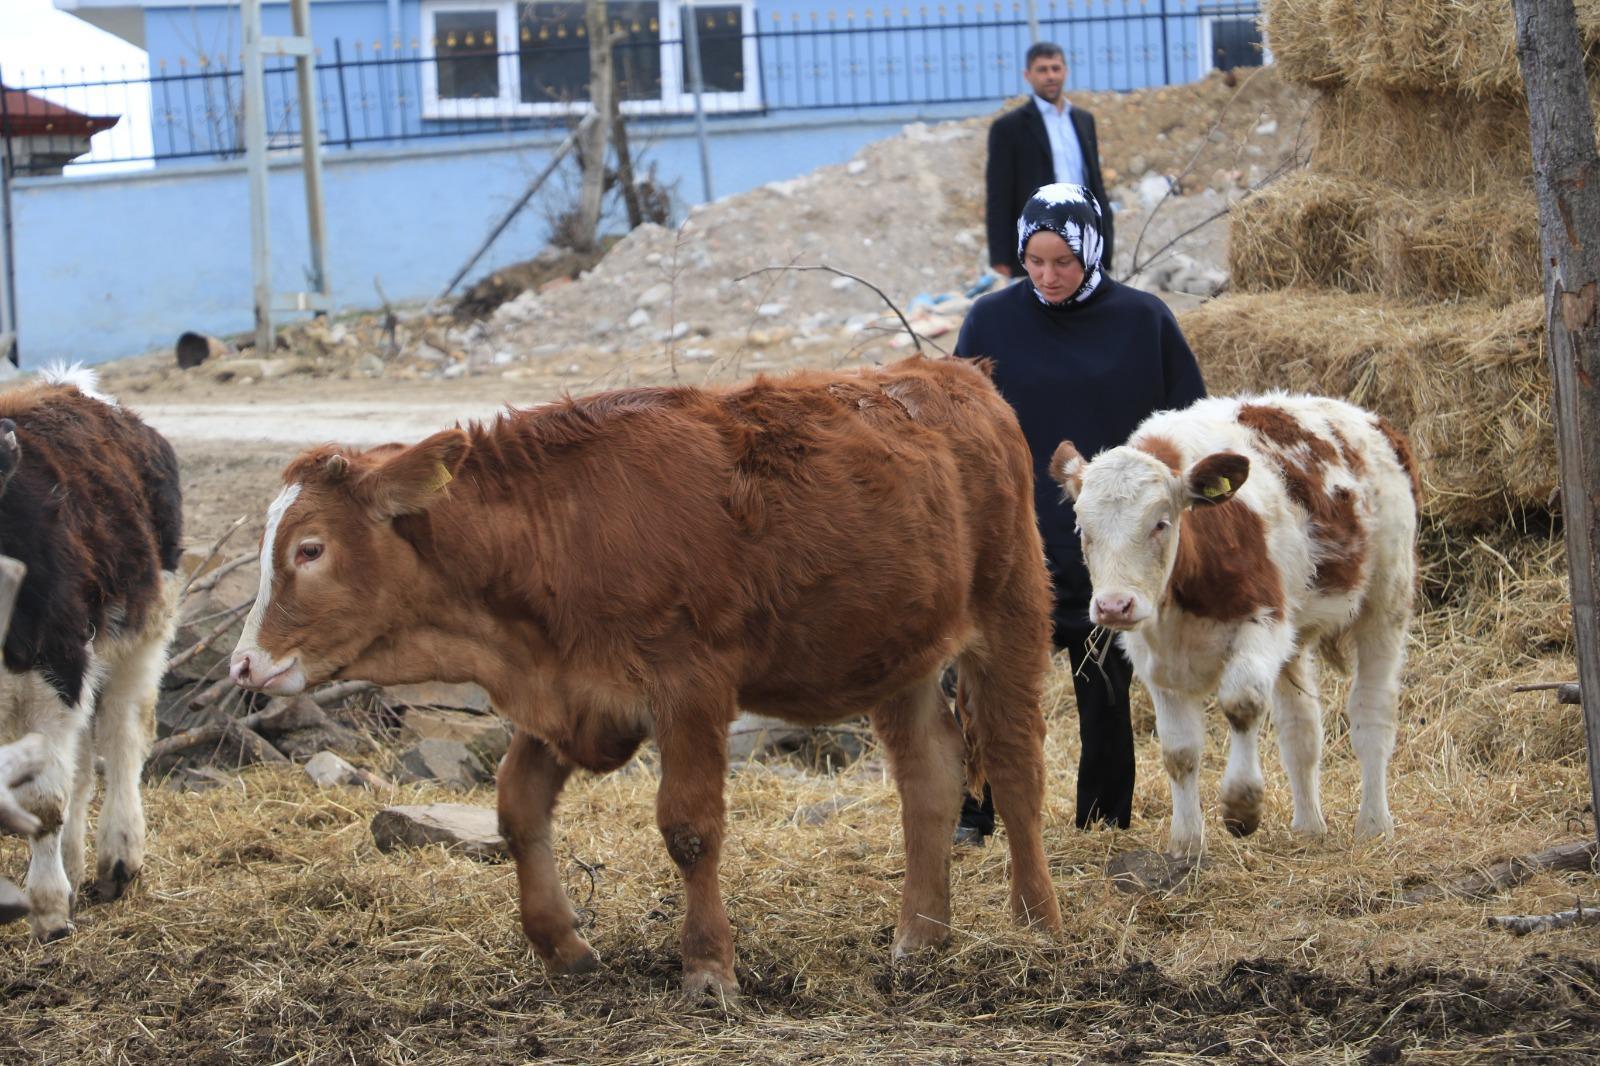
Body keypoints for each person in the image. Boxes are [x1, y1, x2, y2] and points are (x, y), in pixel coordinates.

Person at [952, 182, 1205, 843]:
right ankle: (972, 816)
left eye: (1062, 261)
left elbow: (1191, 423)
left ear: (1091, 251)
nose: (1048, 275)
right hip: (1015, 543)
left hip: (1109, 549)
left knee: (1106, 692)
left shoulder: (1143, 321)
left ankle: (1103, 824)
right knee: (987, 684)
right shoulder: (990, 322)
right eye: (1034, 261)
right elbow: (959, 426)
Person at [985, 42, 1115, 281]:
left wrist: (1106, 237)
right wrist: (1000, 254)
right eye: (1042, 70)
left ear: (1065, 71)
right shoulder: (1009, 128)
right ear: (1028, 75)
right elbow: (999, 195)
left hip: (1082, 235)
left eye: (1055, 68)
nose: (1050, 76)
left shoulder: (1083, 121)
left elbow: (1094, 180)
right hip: (1038, 242)